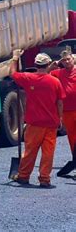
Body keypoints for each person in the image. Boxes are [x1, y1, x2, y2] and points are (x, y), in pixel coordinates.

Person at [10, 51, 65, 187]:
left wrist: (15, 58)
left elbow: (12, 73)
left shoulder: (29, 78)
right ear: (48, 64)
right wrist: (60, 119)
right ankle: (45, 178)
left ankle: (23, 176)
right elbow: (59, 103)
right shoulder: (55, 82)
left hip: (34, 123)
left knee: (30, 151)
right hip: (51, 123)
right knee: (48, 152)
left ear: (35, 65)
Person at [50, 47, 76, 176]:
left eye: (68, 59)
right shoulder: (58, 73)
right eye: (64, 60)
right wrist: (52, 65)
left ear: (73, 59)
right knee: (72, 137)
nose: (67, 62)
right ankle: (75, 160)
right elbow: (45, 74)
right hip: (67, 111)